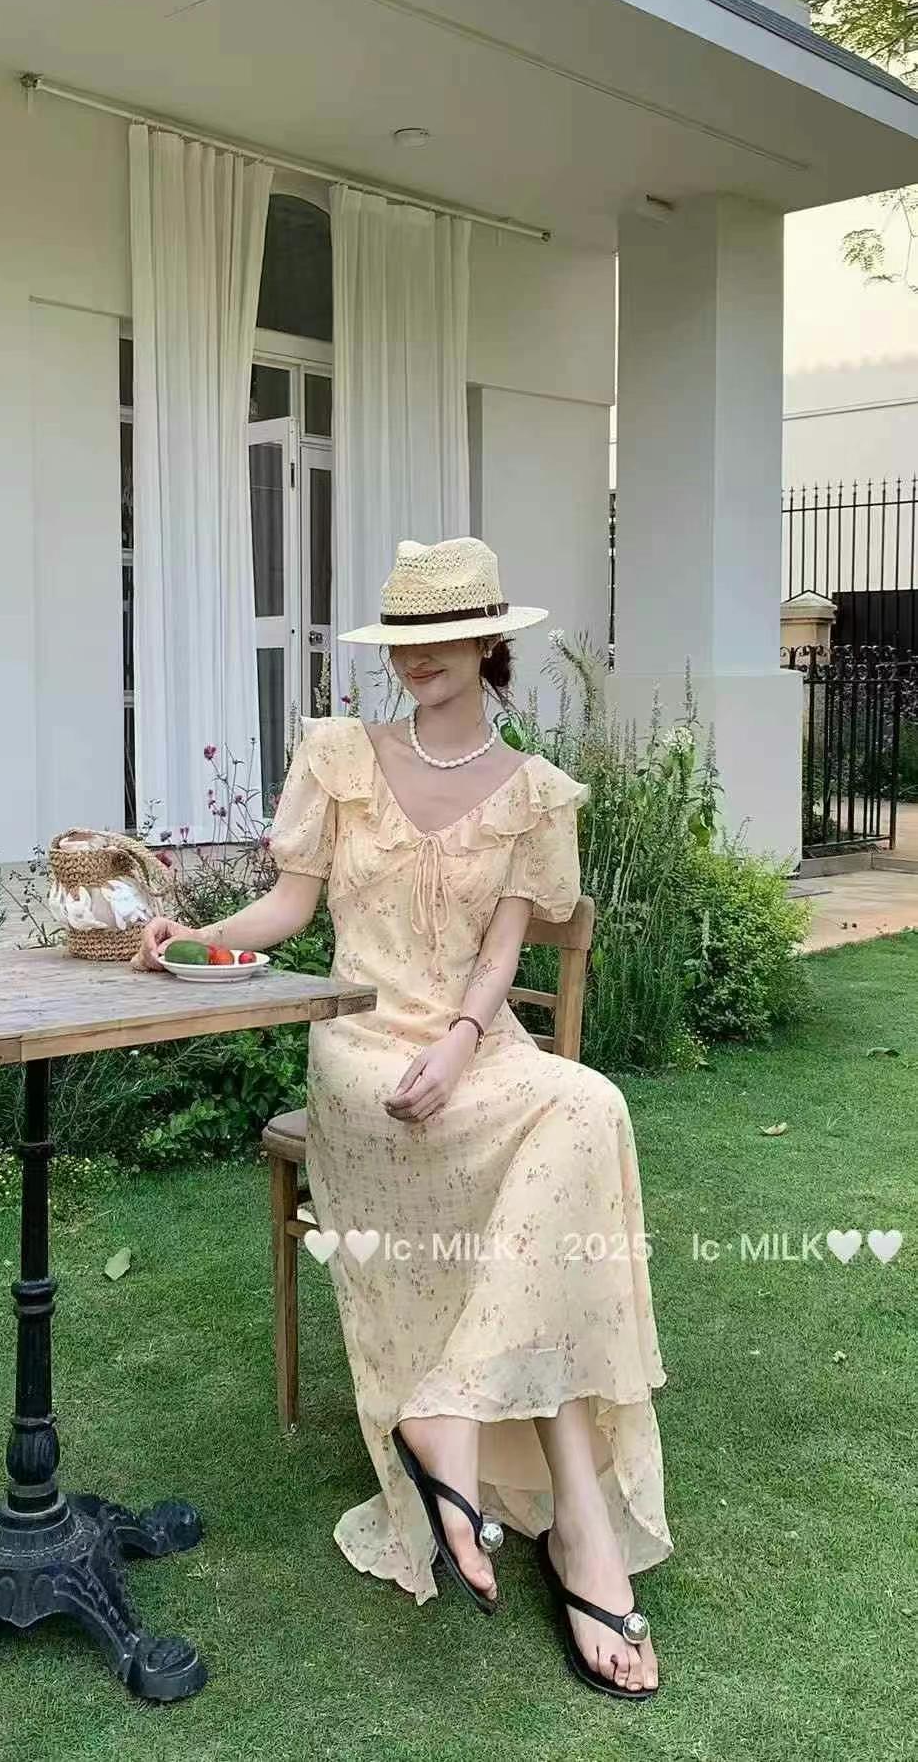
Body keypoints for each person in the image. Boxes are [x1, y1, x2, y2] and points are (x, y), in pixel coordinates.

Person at [134, 536, 672, 1699]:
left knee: (586, 1104)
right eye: (401, 641)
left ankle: (451, 1417)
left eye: (439, 638)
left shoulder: (532, 791)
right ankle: (578, 1530)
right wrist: (196, 938)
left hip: (473, 1049)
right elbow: (287, 909)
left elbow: (500, 955)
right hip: (361, 1051)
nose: (416, 659)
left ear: (487, 642)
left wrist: (466, 1039)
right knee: (563, 1157)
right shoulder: (340, 756)